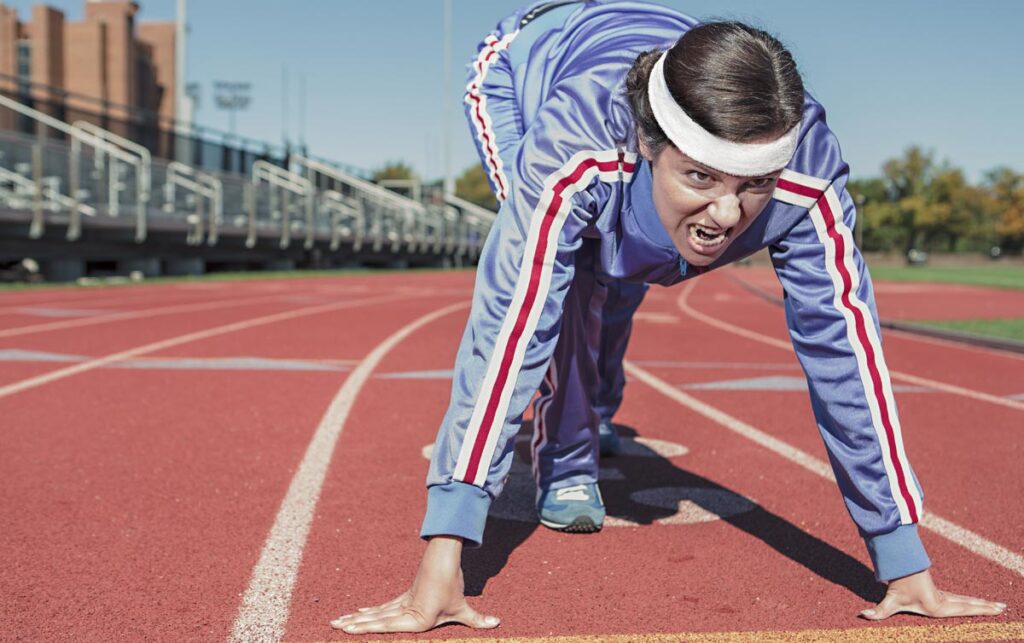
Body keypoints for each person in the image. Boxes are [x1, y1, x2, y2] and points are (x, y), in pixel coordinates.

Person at [333, 0, 1006, 633]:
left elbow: (847, 355)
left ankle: (597, 401)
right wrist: (445, 553)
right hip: (524, 65)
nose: (725, 214)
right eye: (702, 178)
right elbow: (511, 325)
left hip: (648, 65)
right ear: (653, 145)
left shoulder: (808, 174)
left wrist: (903, 558)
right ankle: (567, 456)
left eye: (754, 186)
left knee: (628, 270)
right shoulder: (577, 143)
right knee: (568, 280)